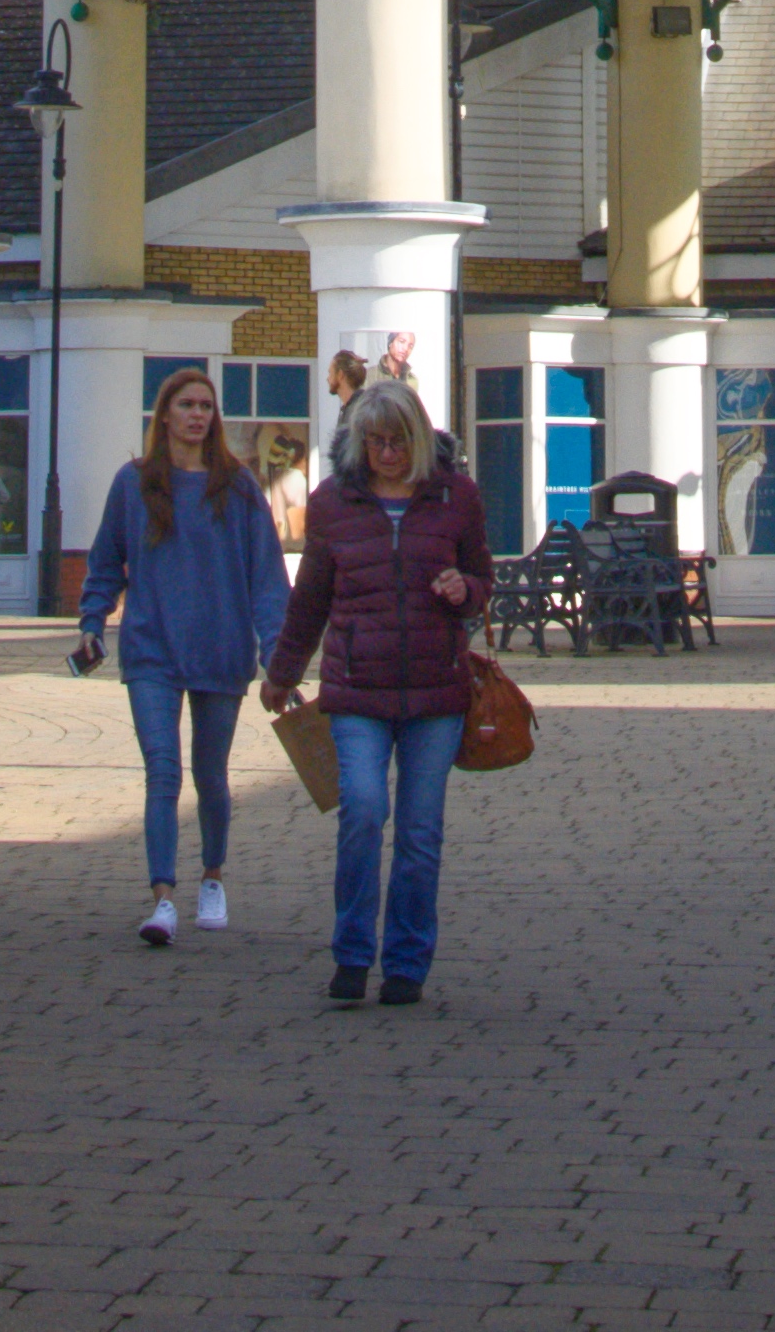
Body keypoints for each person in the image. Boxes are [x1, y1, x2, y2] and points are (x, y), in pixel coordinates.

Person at [263, 367, 493, 1007]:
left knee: (421, 833)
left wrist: (463, 590)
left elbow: (482, 575)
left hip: (435, 690)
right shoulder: (336, 502)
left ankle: (407, 963)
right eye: (376, 443)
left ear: (418, 440)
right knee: (362, 812)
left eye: (398, 442)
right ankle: (352, 952)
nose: (388, 455)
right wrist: (283, 672)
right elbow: (310, 599)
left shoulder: (457, 497)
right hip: (356, 689)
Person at [75, 369, 291, 947]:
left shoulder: (239, 488)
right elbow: (104, 563)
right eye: (186, 404)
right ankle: (163, 898)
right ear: (164, 415)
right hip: (151, 649)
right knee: (162, 772)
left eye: (205, 406)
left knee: (211, 775)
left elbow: (268, 580)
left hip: (221, 650)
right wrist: (92, 623)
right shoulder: (134, 483)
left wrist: (278, 653)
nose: (197, 414)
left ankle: (213, 877)